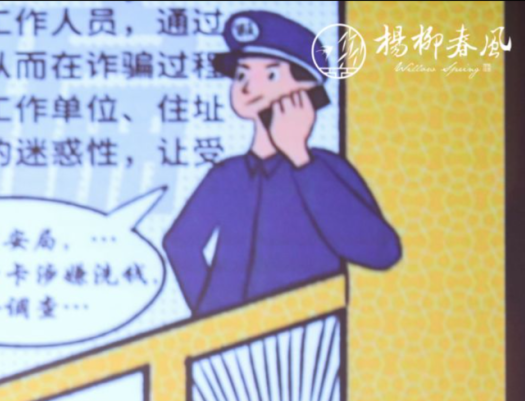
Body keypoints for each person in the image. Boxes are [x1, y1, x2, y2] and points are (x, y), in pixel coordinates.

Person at [162, 10, 401, 317]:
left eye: (271, 75)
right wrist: (210, 310)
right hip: (229, 341)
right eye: (241, 75)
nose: (247, 87)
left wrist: (300, 158)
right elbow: (179, 242)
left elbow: (382, 251)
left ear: (307, 90)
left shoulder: (324, 170)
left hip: (305, 332)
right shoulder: (225, 176)